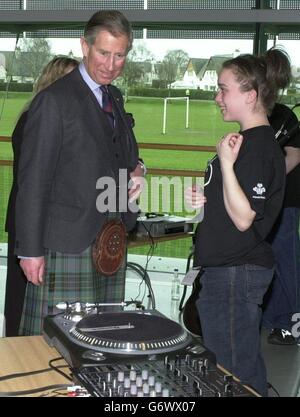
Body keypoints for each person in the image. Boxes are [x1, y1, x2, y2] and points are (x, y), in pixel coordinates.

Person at [14, 10, 145, 336]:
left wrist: (139, 169)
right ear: (84, 47)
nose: (111, 65)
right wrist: (30, 251)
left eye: (120, 56)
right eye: (104, 53)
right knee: (56, 343)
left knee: (100, 335)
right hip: (68, 243)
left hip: (110, 239)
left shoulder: (112, 96)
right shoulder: (54, 101)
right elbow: (34, 181)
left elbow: (122, 156)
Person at [185, 47, 290, 396]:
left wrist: (226, 166)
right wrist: (207, 200)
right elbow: (234, 208)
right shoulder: (246, 142)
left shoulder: (259, 148)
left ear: (250, 95)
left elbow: (245, 219)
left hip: (236, 273)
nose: (217, 97)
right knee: (233, 363)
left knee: (234, 371)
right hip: (226, 271)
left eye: (223, 88)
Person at [4, 56, 80, 337]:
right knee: (23, 296)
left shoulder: (35, 114)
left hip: (33, 219)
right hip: (32, 222)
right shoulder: (37, 117)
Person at [262, 102, 300, 345]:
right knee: (270, 261)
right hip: (268, 200)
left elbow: (294, 155)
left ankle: (293, 324)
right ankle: (276, 320)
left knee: (287, 264)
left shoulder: (283, 115)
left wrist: (265, 180)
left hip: (286, 200)